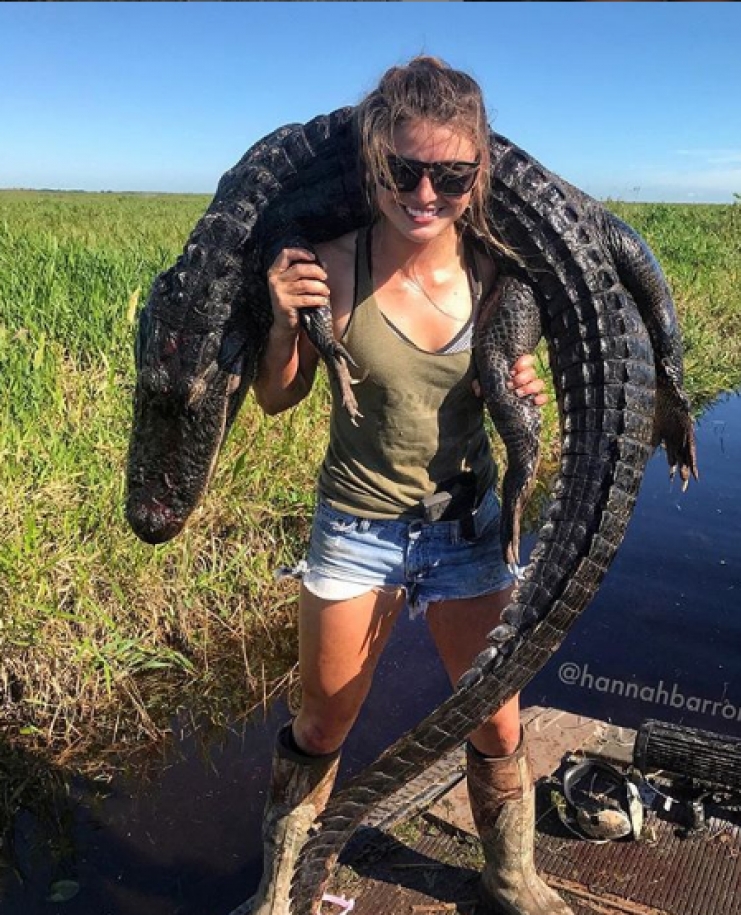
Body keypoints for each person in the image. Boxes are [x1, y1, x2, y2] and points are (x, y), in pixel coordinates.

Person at [247, 56, 571, 915]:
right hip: (356, 526)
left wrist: (523, 389)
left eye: (451, 176)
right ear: (372, 161)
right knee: (323, 722)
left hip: (466, 528)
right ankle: (277, 891)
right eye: (402, 170)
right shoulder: (329, 266)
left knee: (496, 717)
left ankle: (511, 875)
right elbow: (278, 397)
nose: (424, 193)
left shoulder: (498, 277)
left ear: (478, 173)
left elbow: (511, 386)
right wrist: (281, 322)